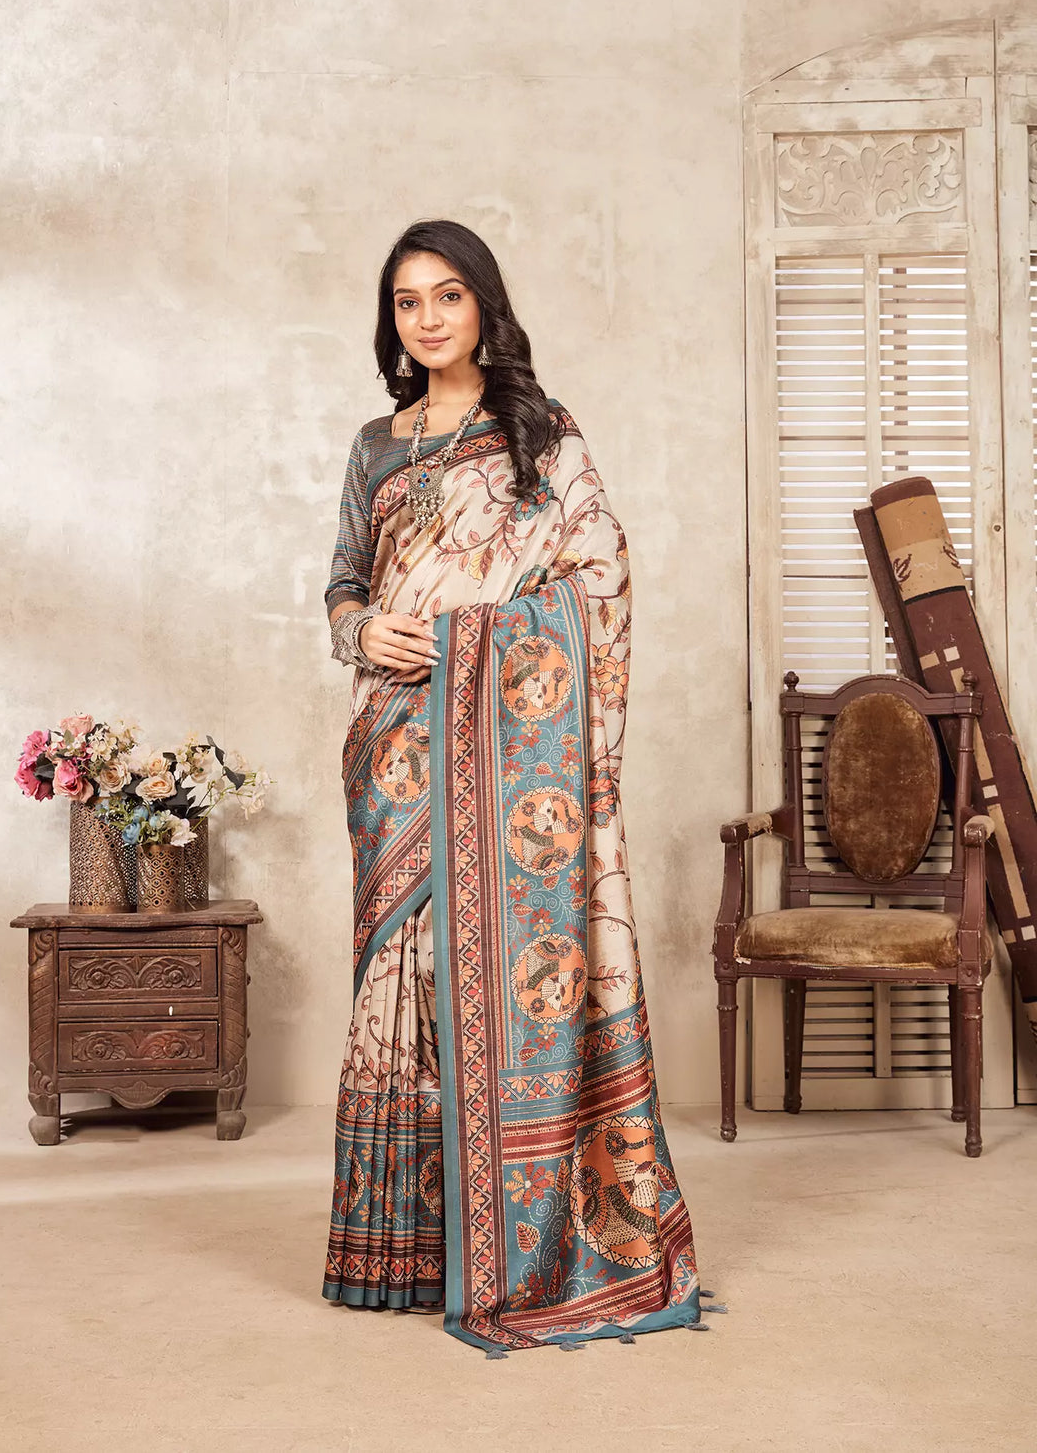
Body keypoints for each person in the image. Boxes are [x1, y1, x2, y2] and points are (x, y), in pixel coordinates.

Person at [321, 218, 708, 1356]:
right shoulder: (375, 448)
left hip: (502, 752)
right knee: (401, 974)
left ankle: (514, 1242)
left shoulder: (539, 433)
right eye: (407, 302)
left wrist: (479, 638)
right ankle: (396, 1253)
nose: (428, 318)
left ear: (485, 304)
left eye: (448, 295)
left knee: (480, 966)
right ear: (390, 320)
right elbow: (342, 583)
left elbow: (601, 575)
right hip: (394, 743)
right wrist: (365, 627)